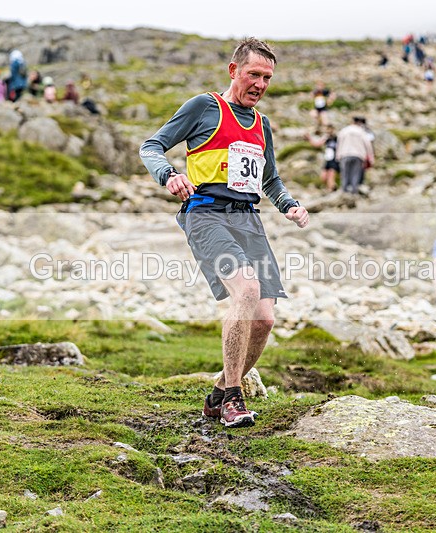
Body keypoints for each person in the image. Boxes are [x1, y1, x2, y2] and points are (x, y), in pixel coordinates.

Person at [139, 38, 309, 428]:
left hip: (248, 220)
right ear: (234, 71)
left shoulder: (262, 124)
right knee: (246, 291)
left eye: (267, 78)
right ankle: (235, 397)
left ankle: (218, 393)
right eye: (254, 75)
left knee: (264, 319)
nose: (260, 84)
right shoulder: (204, 107)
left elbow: (272, 181)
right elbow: (151, 147)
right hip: (207, 214)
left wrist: (290, 205)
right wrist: (169, 175)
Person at [336, 116, 374, 194]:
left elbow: (339, 142)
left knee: (345, 174)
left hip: (345, 154)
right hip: (358, 155)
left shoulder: (345, 130)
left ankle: (344, 192)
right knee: (355, 174)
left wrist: (338, 155)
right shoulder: (361, 131)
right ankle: (354, 192)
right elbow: (368, 144)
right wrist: (371, 157)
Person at [305, 125, 339, 191]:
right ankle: (332, 188)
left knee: (331, 177)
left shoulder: (337, 138)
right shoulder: (326, 138)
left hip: (334, 159)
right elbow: (317, 144)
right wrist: (310, 138)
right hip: (328, 159)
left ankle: (331, 189)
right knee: (323, 177)